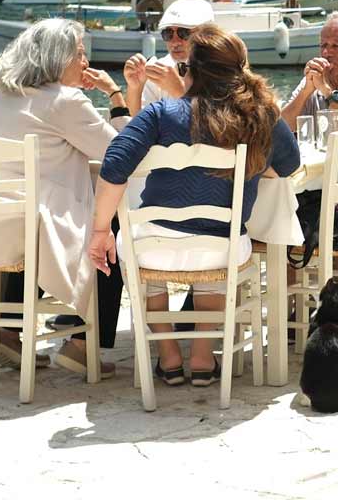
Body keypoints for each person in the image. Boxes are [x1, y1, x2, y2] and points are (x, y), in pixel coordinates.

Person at [90, 26, 298, 388]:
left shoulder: (161, 113)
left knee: (137, 248)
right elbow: (289, 165)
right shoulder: (260, 114)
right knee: (220, 244)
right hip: (222, 250)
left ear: (190, 70)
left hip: (154, 249)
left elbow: (114, 163)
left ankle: (169, 356)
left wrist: (100, 231)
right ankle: (203, 357)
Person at [0, 19, 131, 374]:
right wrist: (115, 96)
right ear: (57, 58)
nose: (85, 63)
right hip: (26, 230)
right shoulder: (66, 101)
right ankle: (84, 346)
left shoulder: (4, 93)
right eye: (79, 54)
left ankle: (7, 332)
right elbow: (120, 151)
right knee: (108, 221)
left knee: (32, 212)